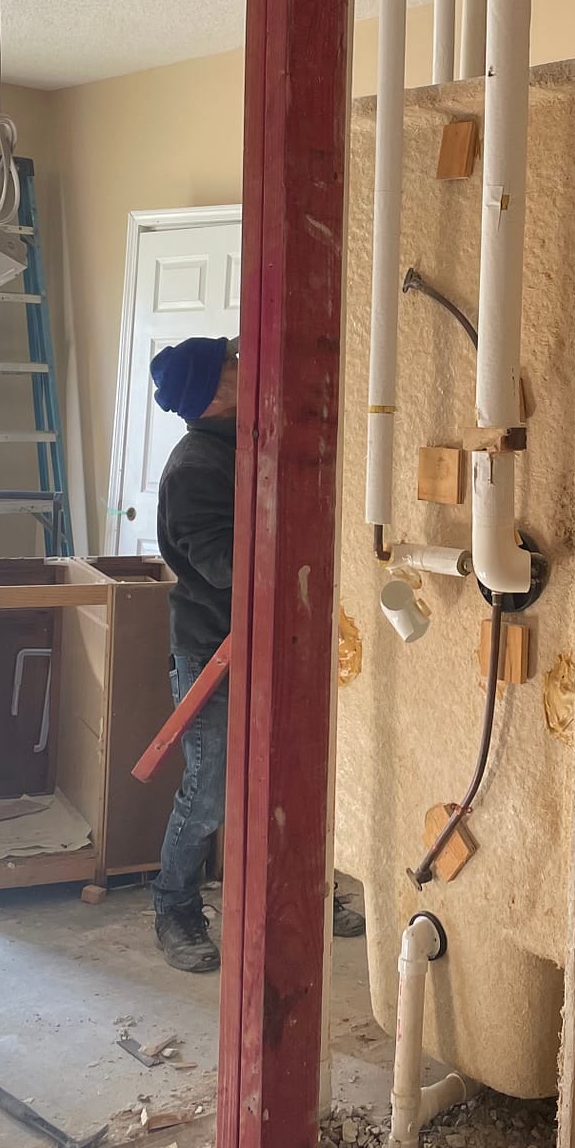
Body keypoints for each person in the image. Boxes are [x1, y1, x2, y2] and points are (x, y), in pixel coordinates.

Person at [148, 336, 365, 973]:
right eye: (233, 364)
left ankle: (302, 895)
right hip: (217, 648)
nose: (248, 366)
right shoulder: (195, 468)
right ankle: (175, 905)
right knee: (211, 788)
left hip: (279, 638)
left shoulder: (249, 438)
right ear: (213, 390)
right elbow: (222, 567)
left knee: (294, 775)